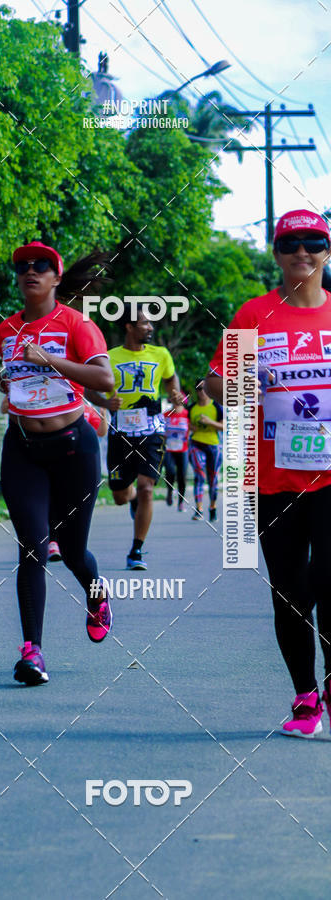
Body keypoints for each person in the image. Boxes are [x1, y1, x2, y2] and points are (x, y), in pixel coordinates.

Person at [206, 208, 331, 738]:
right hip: (272, 477)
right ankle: (306, 696)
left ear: (327, 251)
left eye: (314, 242)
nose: (303, 251)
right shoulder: (254, 315)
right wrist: (242, 381)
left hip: (330, 478)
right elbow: (214, 383)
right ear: (276, 253)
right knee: (288, 592)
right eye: (291, 243)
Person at [0, 241, 114, 685]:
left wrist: (50, 358)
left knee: (73, 552)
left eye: (41, 265)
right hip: (23, 448)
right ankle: (32, 651)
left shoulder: (77, 324)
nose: (30, 271)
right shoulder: (6, 329)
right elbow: (22, 381)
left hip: (74, 448)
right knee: (33, 547)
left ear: (56, 278)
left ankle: (96, 595)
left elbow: (104, 379)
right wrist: (1, 382)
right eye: (22, 266)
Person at [87, 305, 183, 570]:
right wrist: (105, 403)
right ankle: (132, 500)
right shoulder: (109, 357)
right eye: (144, 323)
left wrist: (175, 394)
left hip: (152, 430)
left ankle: (136, 550)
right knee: (119, 495)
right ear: (129, 327)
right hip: (120, 433)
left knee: (146, 487)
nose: (150, 327)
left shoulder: (161, 354)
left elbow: (171, 380)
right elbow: (89, 390)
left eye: (150, 323)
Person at [47, 400, 108, 562]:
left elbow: (101, 432)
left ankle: (71, 544)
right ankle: (53, 542)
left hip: (80, 463)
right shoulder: (58, 403)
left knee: (72, 503)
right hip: (58, 458)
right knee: (55, 500)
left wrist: (103, 415)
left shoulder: (89, 409)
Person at [188, 379, 224, 521]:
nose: (201, 392)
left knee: (213, 479)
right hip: (196, 444)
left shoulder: (216, 406)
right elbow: (185, 423)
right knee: (199, 475)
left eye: (203, 388)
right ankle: (199, 509)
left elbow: (224, 426)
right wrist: (191, 427)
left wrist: (209, 422)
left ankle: (212, 507)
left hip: (213, 445)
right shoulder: (191, 408)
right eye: (198, 388)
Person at [163, 393, 190, 511]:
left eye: (179, 399)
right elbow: (161, 431)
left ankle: (181, 502)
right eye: (174, 399)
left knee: (182, 476)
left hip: (183, 449)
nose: (176, 402)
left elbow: (192, 429)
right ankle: (169, 492)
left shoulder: (187, 414)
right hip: (169, 449)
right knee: (170, 472)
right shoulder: (166, 415)